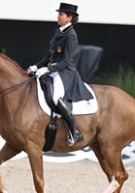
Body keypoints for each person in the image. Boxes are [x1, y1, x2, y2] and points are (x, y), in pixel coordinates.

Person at [27, 2, 93, 145]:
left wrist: (48, 70)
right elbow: (49, 56)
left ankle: (75, 131)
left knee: (57, 97)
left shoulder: (71, 35)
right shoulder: (59, 31)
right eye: (59, 14)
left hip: (65, 73)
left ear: (69, 18)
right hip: (54, 70)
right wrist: (36, 66)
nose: (58, 16)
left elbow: (66, 61)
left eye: (61, 14)